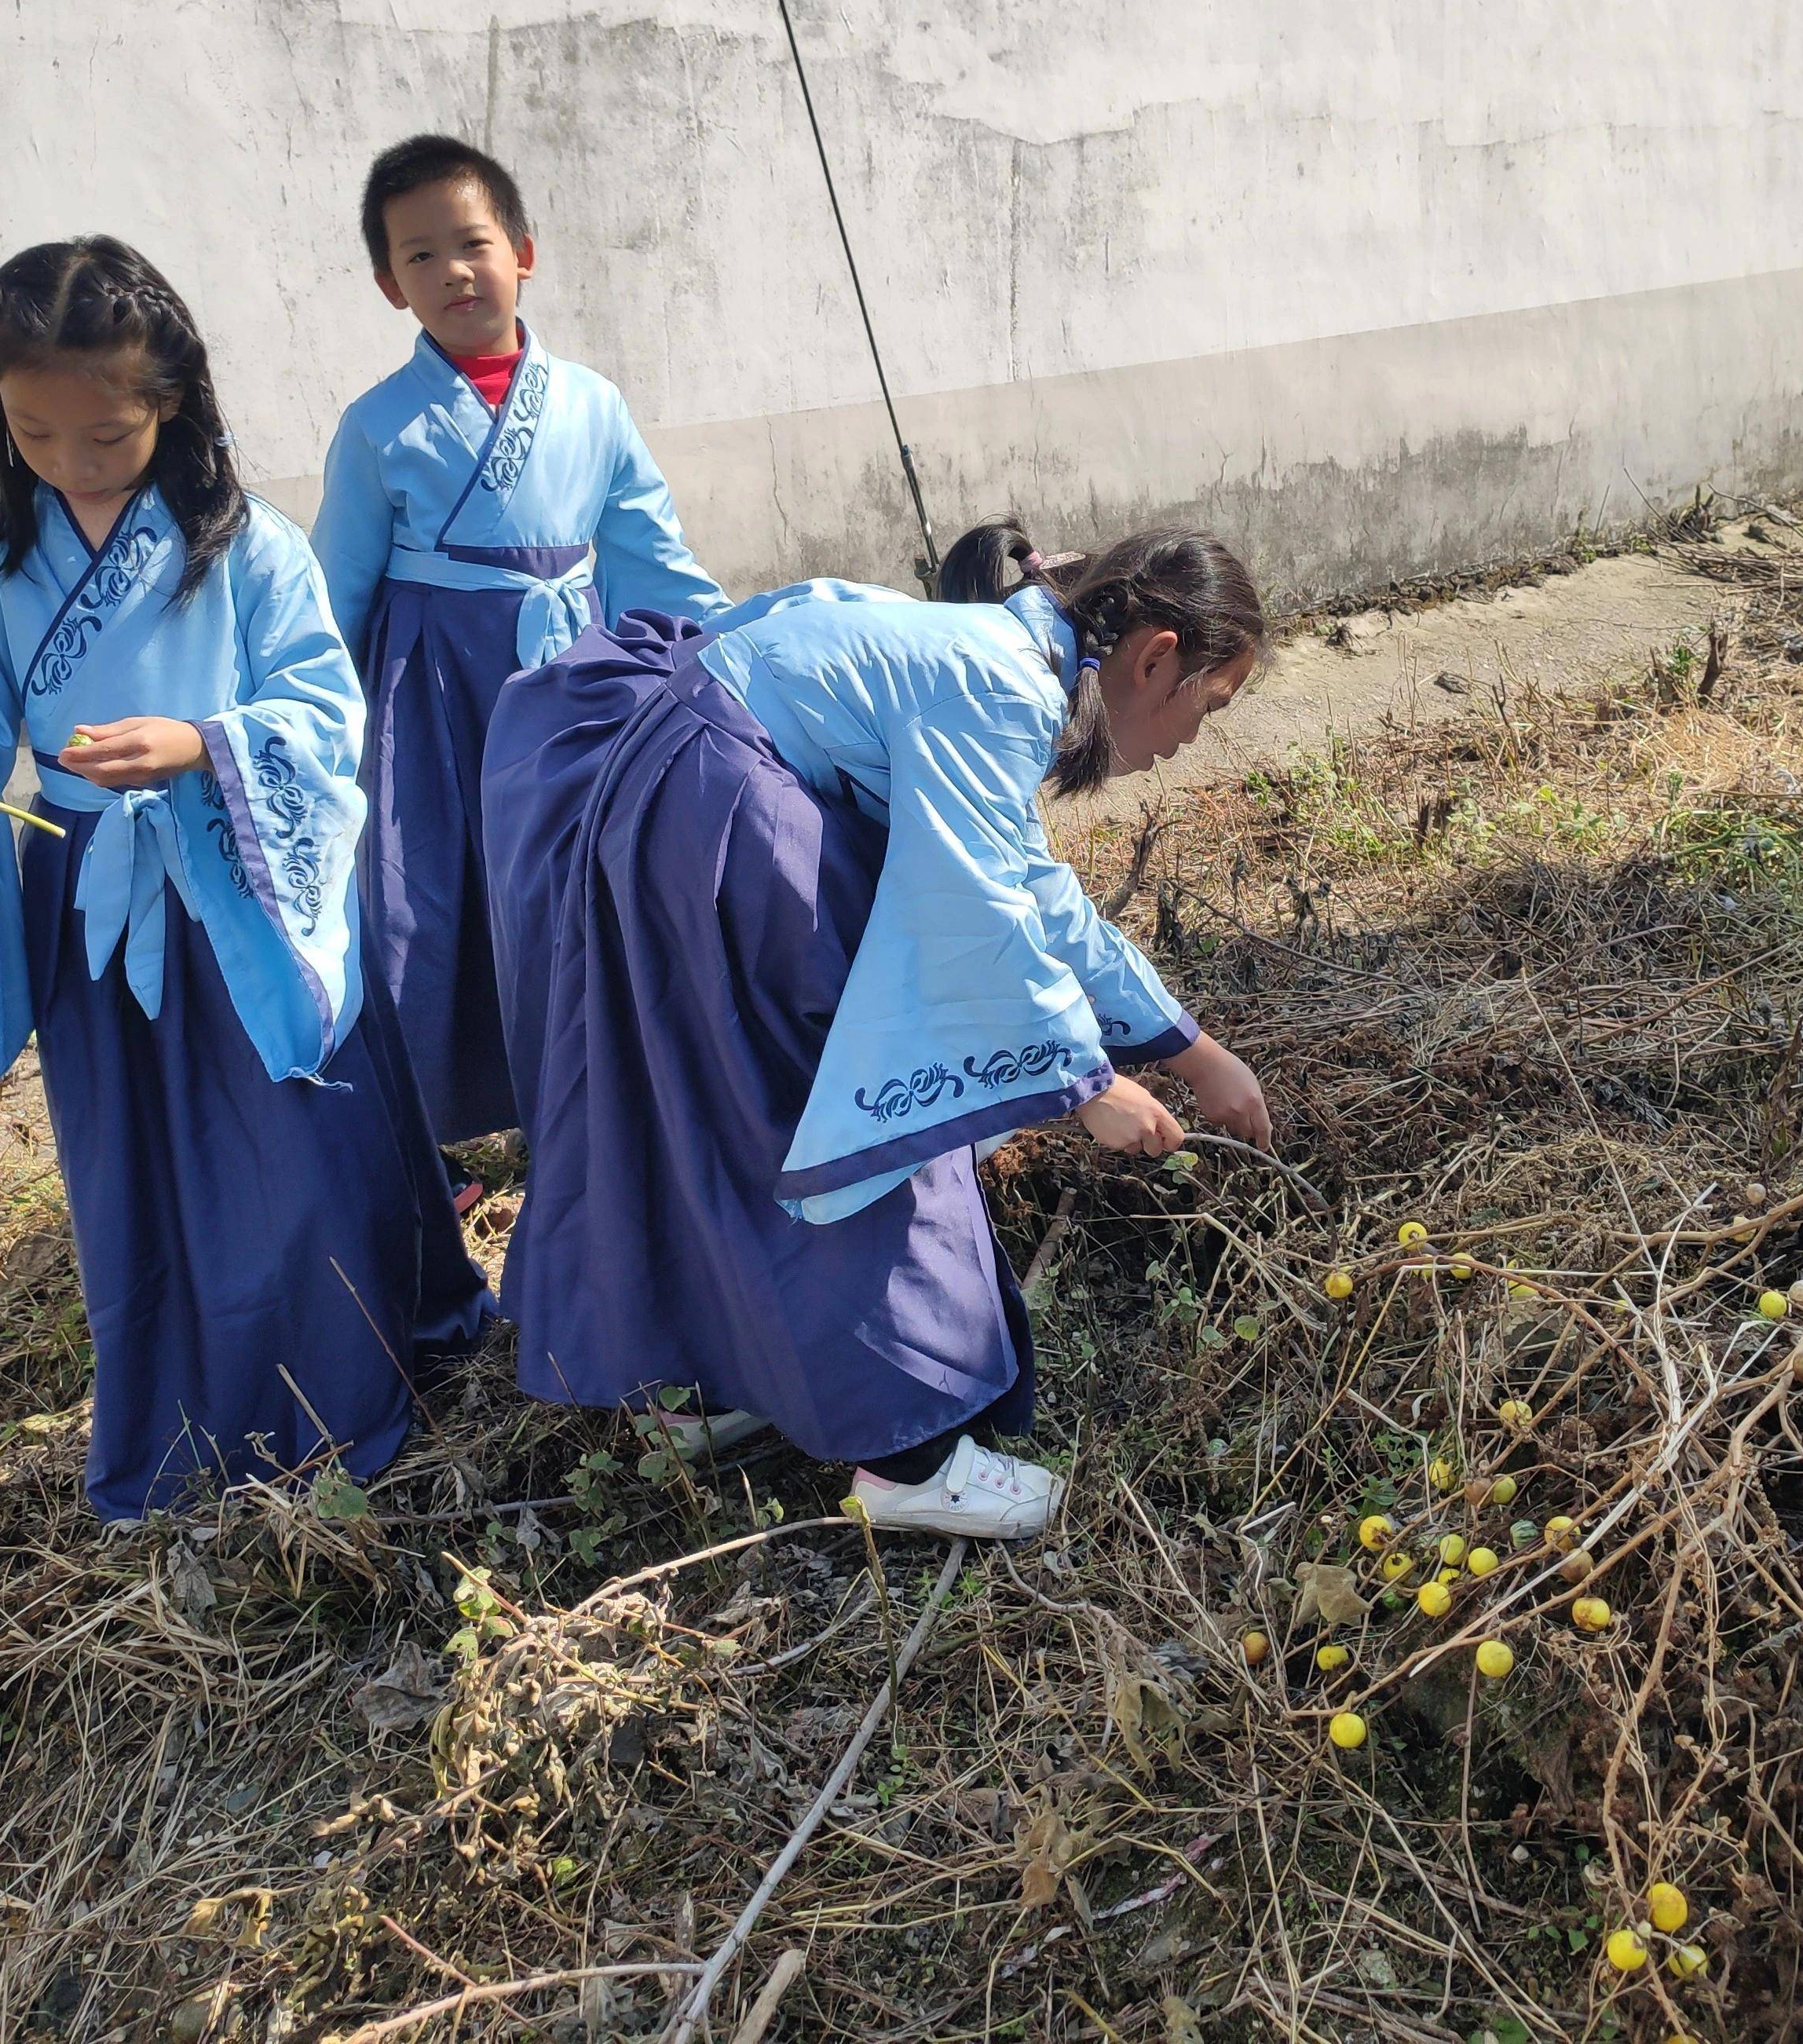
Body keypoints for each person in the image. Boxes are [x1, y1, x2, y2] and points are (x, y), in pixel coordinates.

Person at [0, 238, 493, 1523]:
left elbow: (318, 707)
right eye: (32, 431)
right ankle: (184, 1404)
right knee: (133, 1160)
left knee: (293, 1144)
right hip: (87, 890)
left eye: (105, 436)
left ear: (171, 405)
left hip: (241, 882)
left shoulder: (249, 550)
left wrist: (203, 746)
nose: (69, 461)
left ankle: (344, 1387)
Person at [479, 516, 1275, 1538]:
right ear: (1156, 659)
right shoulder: (1000, 684)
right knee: (859, 1112)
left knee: (712, 1109)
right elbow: (977, 913)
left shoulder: (999, 653)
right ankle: (910, 1459)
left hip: (676, 809)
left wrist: (1188, 1049)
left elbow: (1033, 892)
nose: (1183, 747)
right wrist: (1088, 1086)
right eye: (1204, 712)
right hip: (722, 829)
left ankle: (714, 1379)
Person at [311, 134, 728, 1150]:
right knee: (427, 902)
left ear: (524, 252)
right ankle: (420, 1147)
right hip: (436, 698)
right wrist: (313, 723)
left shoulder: (593, 404)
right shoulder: (378, 427)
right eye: (419, 256)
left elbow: (649, 560)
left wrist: (723, 654)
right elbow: (334, 593)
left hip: (574, 686)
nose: (452, 271)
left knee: (579, 887)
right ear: (387, 285)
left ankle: (592, 1114)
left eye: (473, 242)